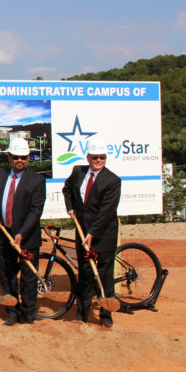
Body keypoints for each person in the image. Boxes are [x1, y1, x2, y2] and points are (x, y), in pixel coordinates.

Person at [62, 138, 121, 328]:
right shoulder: (78, 172)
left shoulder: (112, 181)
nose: (98, 160)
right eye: (95, 157)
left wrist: (93, 233)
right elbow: (67, 189)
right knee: (85, 274)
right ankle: (82, 314)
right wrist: (70, 207)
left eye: (102, 157)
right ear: (88, 157)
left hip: (103, 235)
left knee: (104, 274)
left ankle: (106, 316)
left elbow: (106, 211)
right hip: (82, 231)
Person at [0, 138, 46, 326]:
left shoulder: (37, 180)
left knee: (28, 277)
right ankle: (11, 312)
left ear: (28, 158)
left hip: (26, 238)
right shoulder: (1, 174)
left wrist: (21, 233)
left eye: (24, 157)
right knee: (7, 275)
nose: (20, 160)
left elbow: (36, 211)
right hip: (5, 234)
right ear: (9, 157)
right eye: (16, 157)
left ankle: (28, 316)